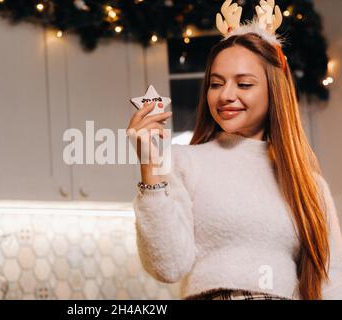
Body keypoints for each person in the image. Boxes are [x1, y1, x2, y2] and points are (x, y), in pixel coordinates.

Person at [126, 0, 342, 300]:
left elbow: (332, 281)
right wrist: (150, 168)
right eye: (216, 84)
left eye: (243, 84)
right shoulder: (184, 162)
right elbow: (168, 266)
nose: (226, 95)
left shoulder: (308, 184)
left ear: (273, 91)